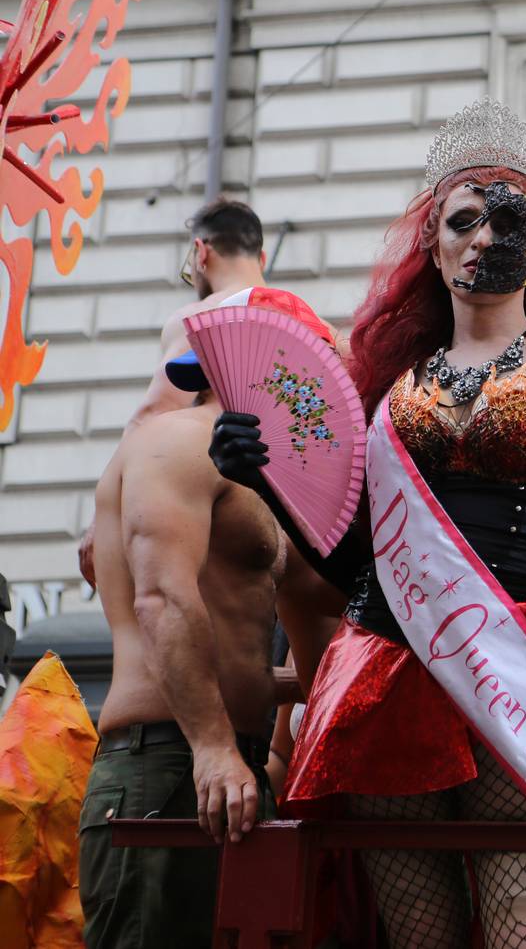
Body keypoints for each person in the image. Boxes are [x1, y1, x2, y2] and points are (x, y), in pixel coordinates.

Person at [209, 97, 526, 949]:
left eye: (509, 217)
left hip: (515, 676)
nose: (485, 235)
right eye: (463, 218)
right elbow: (359, 557)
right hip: (388, 671)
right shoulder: (394, 392)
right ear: (434, 244)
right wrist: (270, 478)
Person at [77, 315, 294, 949]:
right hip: (171, 762)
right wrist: (214, 748)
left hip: (226, 765)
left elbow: (256, 644)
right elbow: (163, 598)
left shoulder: (265, 474)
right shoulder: (175, 440)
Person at [77, 198, 341, 697]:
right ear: (260, 257)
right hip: (299, 536)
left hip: (216, 517)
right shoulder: (316, 328)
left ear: (200, 254)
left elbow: (152, 415)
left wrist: (103, 516)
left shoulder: (196, 319)